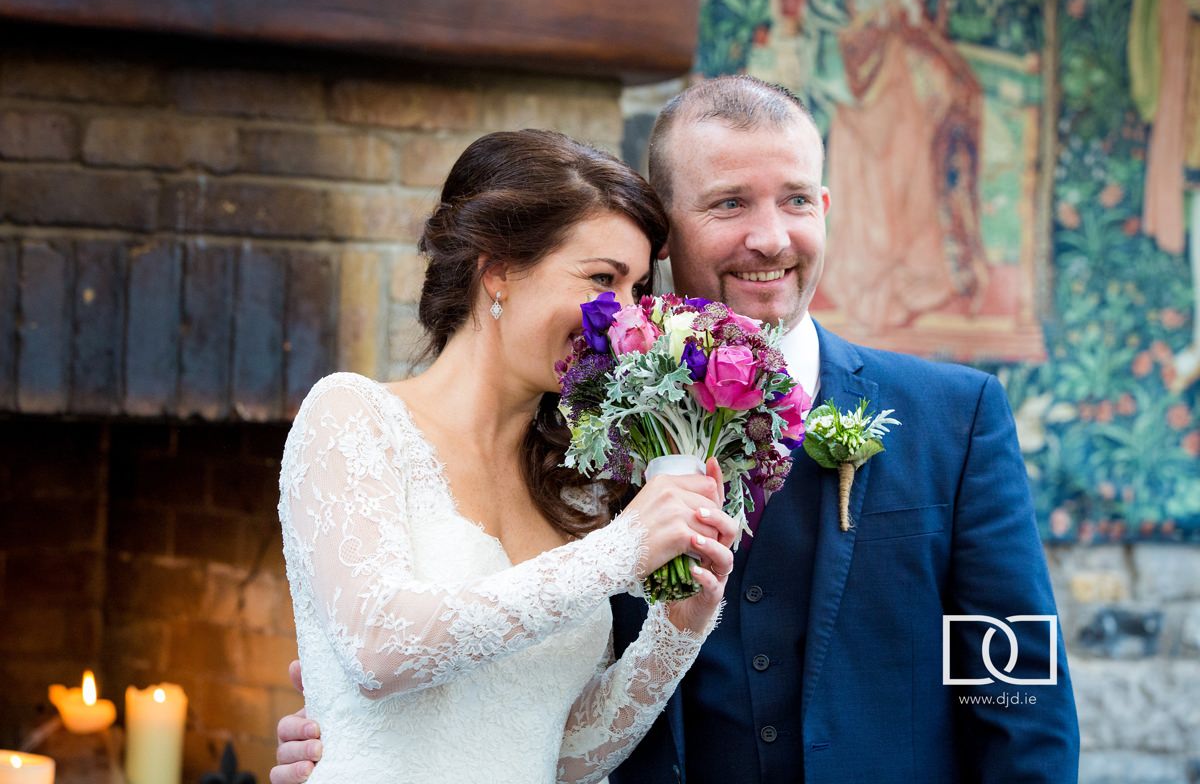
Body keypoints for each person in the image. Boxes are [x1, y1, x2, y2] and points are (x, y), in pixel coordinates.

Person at [274, 77, 1081, 783]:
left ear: (825, 208)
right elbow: (450, 671)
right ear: (667, 235)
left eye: (797, 199)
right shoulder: (577, 442)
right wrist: (359, 737)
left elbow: (1018, 684)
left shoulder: (956, 419)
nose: (771, 237)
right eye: (729, 203)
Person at [274, 128, 740, 784]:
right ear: (497, 271)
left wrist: (677, 631)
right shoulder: (352, 416)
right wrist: (622, 551)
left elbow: (565, 753)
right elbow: (380, 649)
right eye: (602, 279)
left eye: (637, 290)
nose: (626, 321)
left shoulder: (576, 486)